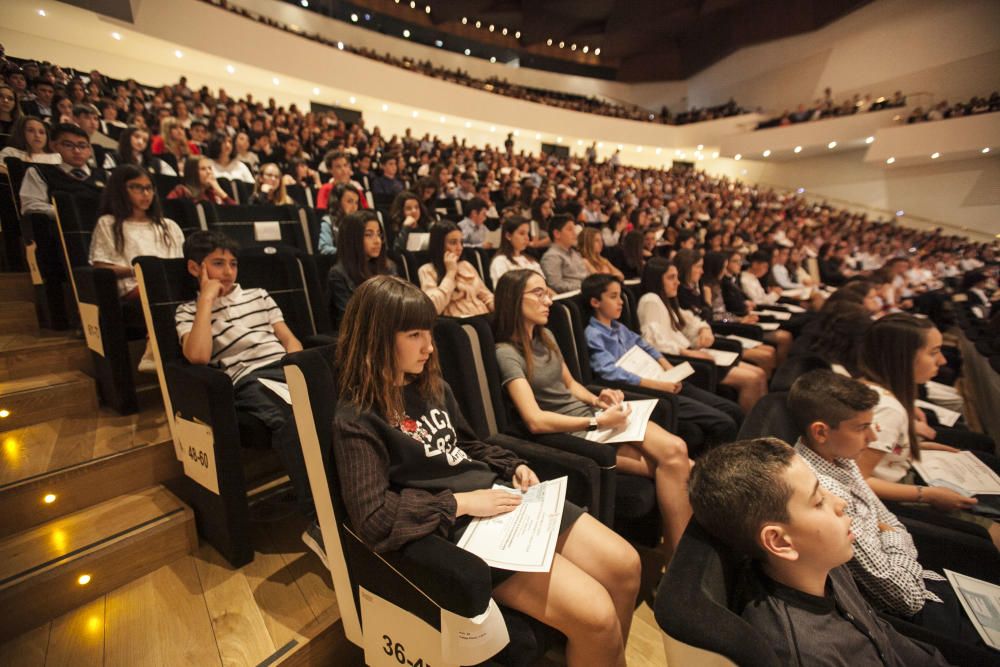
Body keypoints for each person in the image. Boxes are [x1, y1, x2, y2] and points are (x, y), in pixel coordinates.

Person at [334, 275, 641, 666]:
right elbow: (373, 517)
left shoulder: (432, 387)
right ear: (376, 338)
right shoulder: (356, 419)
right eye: (414, 335)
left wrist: (514, 466)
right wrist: (461, 502)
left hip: (500, 498)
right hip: (460, 525)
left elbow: (467, 445)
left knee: (626, 565)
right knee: (596, 614)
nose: (429, 346)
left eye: (428, 332)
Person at [688, 438, 950, 666]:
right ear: (780, 541)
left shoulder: (825, 564)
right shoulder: (806, 654)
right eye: (819, 501)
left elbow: (885, 638)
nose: (841, 503)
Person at [789, 370, 996, 658]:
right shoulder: (823, 491)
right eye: (862, 428)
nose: (873, 436)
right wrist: (895, 537)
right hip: (902, 618)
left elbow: (890, 523)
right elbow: (904, 597)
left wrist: (892, 535)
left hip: (920, 580)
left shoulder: (840, 458)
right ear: (821, 431)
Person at [494, 269, 693, 552]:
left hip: (594, 417)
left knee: (678, 451)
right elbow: (534, 420)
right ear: (514, 299)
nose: (548, 300)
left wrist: (599, 399)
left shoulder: (546, 335)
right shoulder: (506, 353)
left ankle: (678, 556)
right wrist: (595, 420)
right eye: (538, 293)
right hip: (576, 430)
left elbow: (571, 384)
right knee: (677, 463)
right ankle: (678, 557)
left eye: (547, 292)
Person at [175, 230, 313, 517]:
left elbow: (289, 339)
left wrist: (298, 366)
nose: (228, 272)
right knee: (292, 421)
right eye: (217, 263)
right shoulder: (188, 311)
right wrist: (206, 301)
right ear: (194, 268)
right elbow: (198, 356)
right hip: (248, 377)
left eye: (233, 264)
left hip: (284, 365)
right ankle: (317, 511)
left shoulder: (258, 295)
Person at [857, 314, 1000, 550]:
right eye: (933, 352)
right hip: (900, 499)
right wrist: (928, 495)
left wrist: (919, 445)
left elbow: (873, 450)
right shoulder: (888, 410)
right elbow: (860, 479)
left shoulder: (872, 388)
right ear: (903, 358)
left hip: (906, 477)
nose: (942, 361)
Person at [581, 273, 741, 453]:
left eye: (620, 296)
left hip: (663, 379)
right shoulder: (593, 335)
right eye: (613, 297)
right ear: (595, 302)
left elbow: (646, 346)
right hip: (648, 390)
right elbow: (609, 372)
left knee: (732, 409)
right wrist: (658, 384)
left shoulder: (619, 327)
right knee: (724, 423)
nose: (620, 302)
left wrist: (668, 368)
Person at [638, 258, 768, 414]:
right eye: (671, 278)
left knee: (759, 374)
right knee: (752, 379)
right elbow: (653, 342)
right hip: (683, 359)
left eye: (677, 277)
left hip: (693, 351)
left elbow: (690, 319)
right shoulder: (651, 300)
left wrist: (703, 329)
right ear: (656, 279)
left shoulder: (668, 299)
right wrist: (688, 352)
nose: (677, 282)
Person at [90, 165, 184, 371]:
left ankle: (156, 348)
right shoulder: (109, 223)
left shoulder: (168, 225)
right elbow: (101, 265)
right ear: (121, 190)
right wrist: (141, 270)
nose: (146, 194)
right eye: (137, 188)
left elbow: (180, 262)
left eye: (149, 188)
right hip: (134, 287)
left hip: (170, 287)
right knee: (160, 294)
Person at [19, 123, 107, 217]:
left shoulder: (106, 175)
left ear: (89, 150)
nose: (77, 151)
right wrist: (71, 211)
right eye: (68, 145)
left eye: (82, 146)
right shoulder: (40, 172)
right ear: (54, 146)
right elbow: (30, 205)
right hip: (64, 227)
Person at [327, 210, 396, 327]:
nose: (377, 241)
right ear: (353, 239)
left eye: (379, 234)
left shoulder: (388, 266)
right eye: (369, 235)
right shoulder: (338, 274)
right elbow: (349, 319)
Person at [418, 221, 494, 317]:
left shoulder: (466, 265)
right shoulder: (427, 270)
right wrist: (450, 273)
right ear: (439, 245)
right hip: (459, 323)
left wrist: (500, 309)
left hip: (482, 316)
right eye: (453, 242)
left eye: (461, 242)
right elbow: (433, 308)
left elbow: (487, 296)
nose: (460, 248)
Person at [489, 217, 545, 287]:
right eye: (522, 233)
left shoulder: (530, 259)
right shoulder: (500, 262)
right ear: (508, 236)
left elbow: (543, 284)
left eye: (527, 234)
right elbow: (506, 291)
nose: (527, 238)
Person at [541, 215, 589, 294]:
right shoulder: (551, 256)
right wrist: (584, 286)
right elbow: (556, 285)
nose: (574, 233)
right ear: (557, 234)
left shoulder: (575, 253)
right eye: (570, 229)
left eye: (574, 229)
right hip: (573, 297)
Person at [102, 126, 175, 176]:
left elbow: (171, 179)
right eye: (136, 137)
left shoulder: (156, 163)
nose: (140, 142)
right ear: (127, 137)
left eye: (145, 140)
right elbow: (108, 180)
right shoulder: (113, 158)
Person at [167, 156, 235, 205]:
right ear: (192, 172)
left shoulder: (212, 193)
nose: (209, 172)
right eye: (203, 169)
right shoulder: (181, 191)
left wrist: (220, 191)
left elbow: (236, 212)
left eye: (209, 168)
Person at [317, 182, 360, 256]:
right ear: (337, 202)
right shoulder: (328, 222)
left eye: (356, 203)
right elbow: (324, 248)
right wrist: (348, 253)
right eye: (349, 201)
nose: (354, 207)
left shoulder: (359, 222)